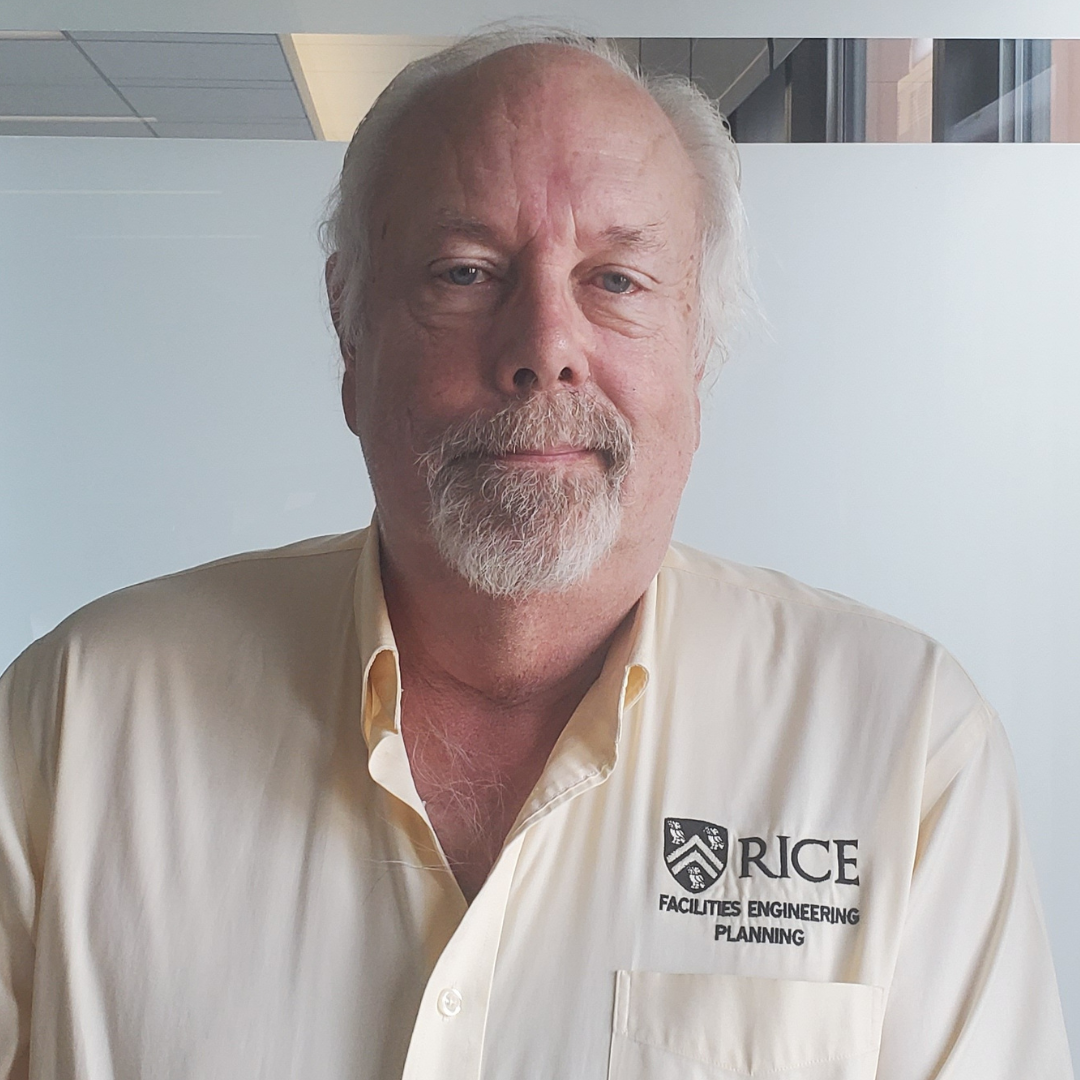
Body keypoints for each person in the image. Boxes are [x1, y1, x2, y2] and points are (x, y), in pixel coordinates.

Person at [0, 25, 1072, 1080]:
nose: (546, 349)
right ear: (349, 330)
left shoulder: (907, 749)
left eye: (617, 280)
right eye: (465, 273)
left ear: (700, 353)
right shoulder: (80, 719)